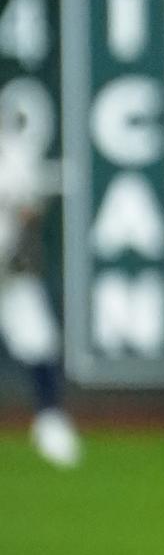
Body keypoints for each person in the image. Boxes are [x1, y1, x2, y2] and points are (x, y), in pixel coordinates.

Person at [0, 128, 80, 468]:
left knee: (39, 341)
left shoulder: (11, 150)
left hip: (10, 272)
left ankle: (50, 421)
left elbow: (28, 212)